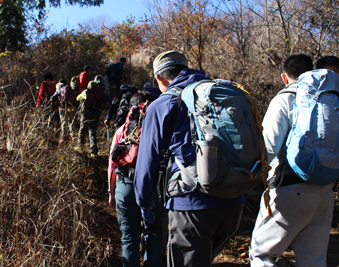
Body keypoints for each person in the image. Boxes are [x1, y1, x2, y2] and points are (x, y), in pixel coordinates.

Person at [133, 50, 245, 266]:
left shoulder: (161, 105)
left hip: (191, 205)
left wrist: (144, 203)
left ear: (160, 78)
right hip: (233, 202)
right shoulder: (219, 93)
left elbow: (147, 162)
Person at [249, 53, 335, 266]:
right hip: (324, 191)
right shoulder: (330, 98)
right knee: (313, 260)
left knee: (262, 255)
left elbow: (268, 146)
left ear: (284, 77)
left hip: (289, 189)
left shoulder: (285, 98)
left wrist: (250, 173)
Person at [108, 90, 163, 267]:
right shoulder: (161, 128)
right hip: (153, 186)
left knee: (129, 237)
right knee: (153, 233)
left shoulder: (122, 131)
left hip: (126, 184)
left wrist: (111, 192)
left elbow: (112, 164)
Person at [76, 81, 108, 157]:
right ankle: (93, 151)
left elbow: (77, 98)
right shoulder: (100, 93)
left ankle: (81, 147)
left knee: (82, 130)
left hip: (86, 113)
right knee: (92, 132)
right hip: (96, 114)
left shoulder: (87, 91)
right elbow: (106, 101)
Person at [49, 79, 78, 143]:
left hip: (62, 107)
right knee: (71, 121)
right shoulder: (68, 88)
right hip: (71, 106)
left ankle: (64, 137)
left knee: (64, 121)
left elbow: (55, 95)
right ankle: (73, 136)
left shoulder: (59, 88)